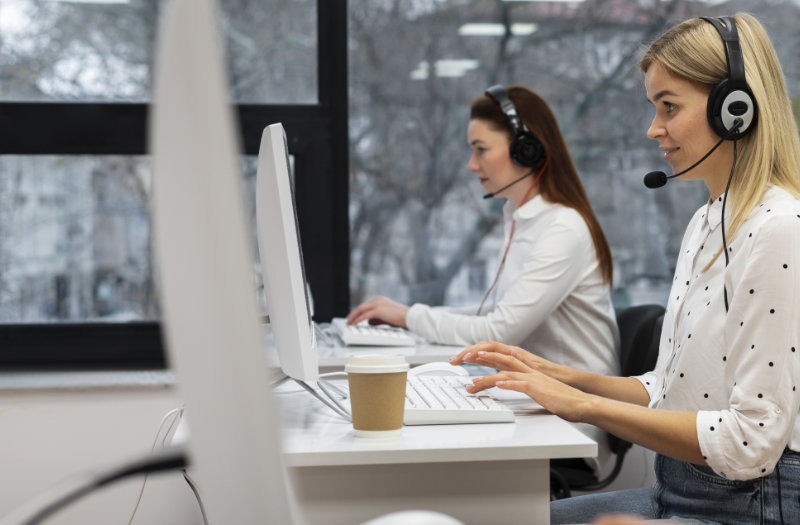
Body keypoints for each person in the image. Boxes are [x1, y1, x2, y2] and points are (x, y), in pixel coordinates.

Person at [451, 13, 800, 525]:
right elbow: (667, 389)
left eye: (668, 107)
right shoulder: (709, 220)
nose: (652, 128)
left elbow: (750, 443)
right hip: (680, 486)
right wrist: (561, 377)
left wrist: (584, 407)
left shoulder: (780, 229)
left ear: (736, 110)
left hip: (749, 505)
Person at [347, 85, 618, 373]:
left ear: (526, 151)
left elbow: (499, 332)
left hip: (577, 407)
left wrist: (410, 317)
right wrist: (405, 317)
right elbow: (492, 315)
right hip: (538, 391)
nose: (471, 165)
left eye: (481, 150)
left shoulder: (562, 229)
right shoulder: (523, 219)